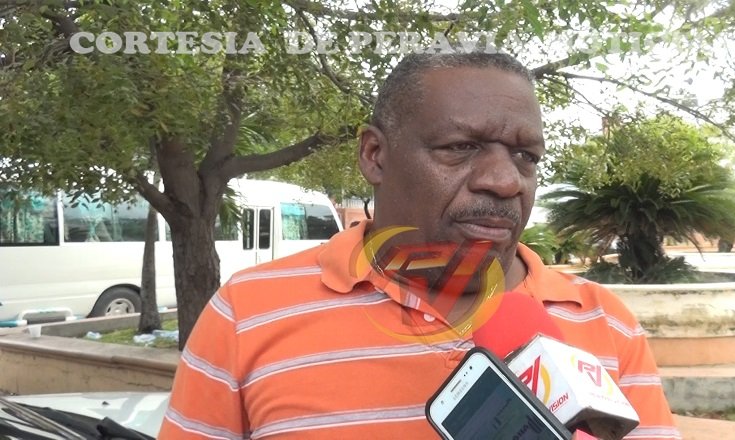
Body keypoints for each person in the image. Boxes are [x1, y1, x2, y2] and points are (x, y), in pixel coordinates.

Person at [160, 52, 680, 439]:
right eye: (461, 147)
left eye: (525, 156)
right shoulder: (247, 312)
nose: (505, 181)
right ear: (375, 155)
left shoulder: (604, 322)